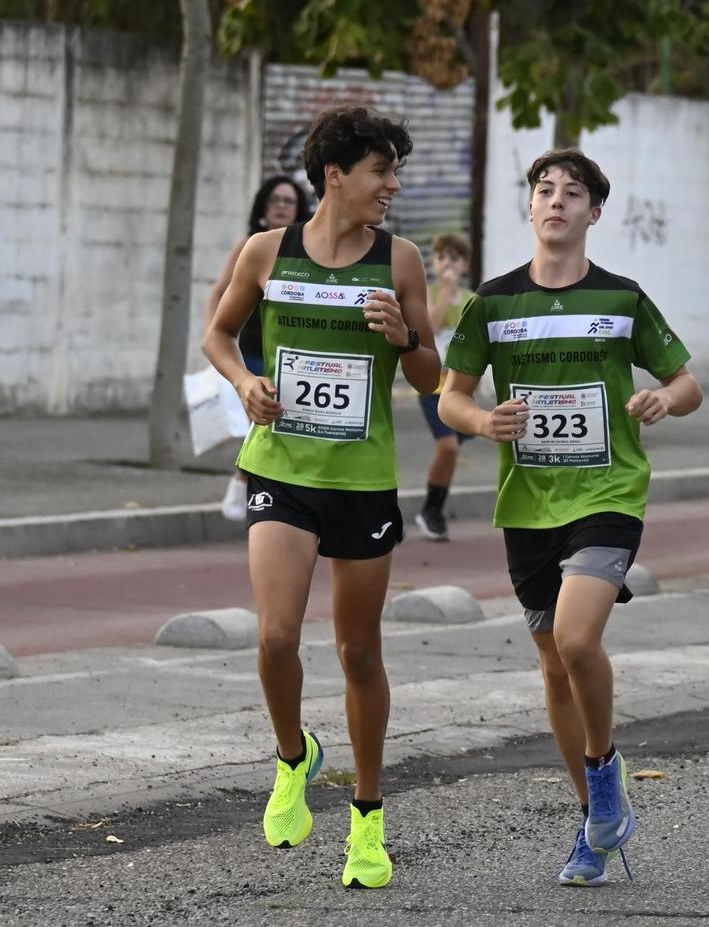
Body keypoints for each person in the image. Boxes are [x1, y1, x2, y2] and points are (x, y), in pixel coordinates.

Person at [438, 149, 701, 887]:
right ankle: (594, 821)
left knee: (579, 638)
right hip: (528, 503)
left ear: (594, 212)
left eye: (573, 192)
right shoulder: (490, 303)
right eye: (544, 190)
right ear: (530, 208)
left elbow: (687, 384)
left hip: (608, 493)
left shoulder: (622, 298)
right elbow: (450, 397)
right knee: (554, 664)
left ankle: (605, 771)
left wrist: (662, 400)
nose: (556, 201)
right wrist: (483, 420)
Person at [204, 106, 440, 890]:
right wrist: (246, 383)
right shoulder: (267, 251)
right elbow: (219, 333)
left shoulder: (399, 260)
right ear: (335, 175)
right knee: (275, 637)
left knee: (358, 652)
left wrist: (404, 336)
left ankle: (367, 823)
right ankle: (293, 757)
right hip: (280, 467)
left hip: (362, 480)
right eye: (381, 171)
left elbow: (431, 376)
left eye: (395, 171)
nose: (393, 186)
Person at [207, 176, 312, 521]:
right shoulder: (251, 245)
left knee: (280, 419)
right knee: (260, 416)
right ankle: (245, 482)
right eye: (275, 200)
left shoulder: (307, 249)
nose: (281, 206)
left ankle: (259, 488)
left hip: (289, 351)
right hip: (251, 348)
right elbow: (219, 293)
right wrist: (215, 339)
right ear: (263, 208)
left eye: (288, 201)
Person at [414, 233, 476, 540]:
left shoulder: (469, 299)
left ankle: (435, 506)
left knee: (453, 449)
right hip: (432, 387)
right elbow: (429, 329)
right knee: (448, 446)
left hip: (459, 389)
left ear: (465, 265)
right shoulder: (429, 293)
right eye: (442, 258)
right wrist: (444, 293)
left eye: (454, 259)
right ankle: (431, 510)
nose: (447, 264)